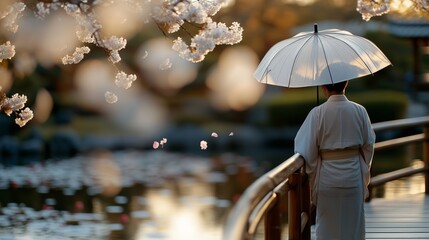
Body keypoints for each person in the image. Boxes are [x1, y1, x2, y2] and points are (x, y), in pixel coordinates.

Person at [294, 80, 375, 240]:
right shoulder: (360, 111)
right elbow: (368, 145)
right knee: (353, 227)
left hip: (327, 179)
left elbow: (305, 150)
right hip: (353, 177)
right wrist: (362, 170)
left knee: (327, 229)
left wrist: (313, 176)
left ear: (323, 87)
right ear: (346, 83)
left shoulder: (317, 113)